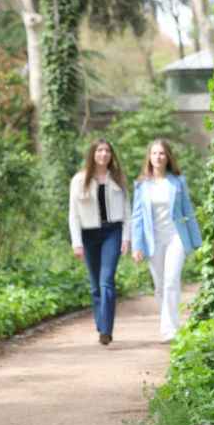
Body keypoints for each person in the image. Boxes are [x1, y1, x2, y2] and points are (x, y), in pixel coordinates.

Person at [131, 139, 202, 342]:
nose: (158, 157)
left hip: (175, 237)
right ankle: (169, 322)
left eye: (162, 153)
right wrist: (137, 245)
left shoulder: (178, 181)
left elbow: (188, 210)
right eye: (154, 153)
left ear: (168, 157)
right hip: (153, 240)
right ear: (149, 157)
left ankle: (169, 328)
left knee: (171, 281)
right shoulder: (142, 185)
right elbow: (136, 217)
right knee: (160, 285)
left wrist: (196, 240)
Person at [68, 139, 131, 346]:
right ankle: (101, 323)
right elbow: (73, 215)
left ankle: (106, 330)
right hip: (88, 234)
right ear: (93, 154)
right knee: (95, 286)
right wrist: (76, 242)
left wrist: (126, 238)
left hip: (112, 232)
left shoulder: (118, 179)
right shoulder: (79, 180)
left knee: (107, 281)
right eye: (99, 150)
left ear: (111, 155)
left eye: (107, 151)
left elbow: (127, 212)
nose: (104, 154)